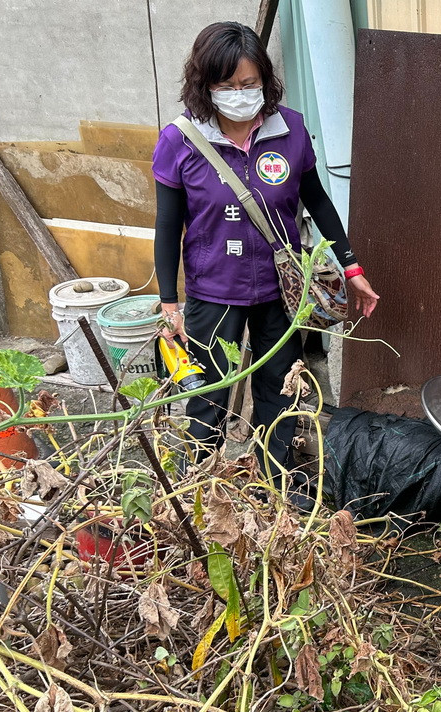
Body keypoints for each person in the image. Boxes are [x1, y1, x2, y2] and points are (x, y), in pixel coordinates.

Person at [152, 21, 379, 483]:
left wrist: (351, 267)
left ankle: (275, 483)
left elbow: (318, 202)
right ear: (205, 85)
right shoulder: (181, 140)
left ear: (264, 79)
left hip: (281, 290)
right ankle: (205, 485)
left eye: (249, 83)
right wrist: (169, 302)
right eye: (228, 85)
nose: (240, 93)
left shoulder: (289, 128)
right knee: (209, 394)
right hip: (214, 292)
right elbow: (167, 225)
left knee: (278, 388)